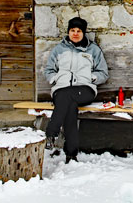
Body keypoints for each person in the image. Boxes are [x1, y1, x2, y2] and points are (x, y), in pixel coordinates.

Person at [43, 17, 109, 163]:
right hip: (62, 88)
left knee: (66, 98)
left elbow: (103, 73)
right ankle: (71, 154)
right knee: (69, 106)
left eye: (78, 31)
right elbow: (48, 70)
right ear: (68, 31)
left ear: (83, 33)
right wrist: (54, 80)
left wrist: (92, 78)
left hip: (85, 90)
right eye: (72, 30)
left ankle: (51, 133)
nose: (75, 33)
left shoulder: (93, 50)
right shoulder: (59, 49)